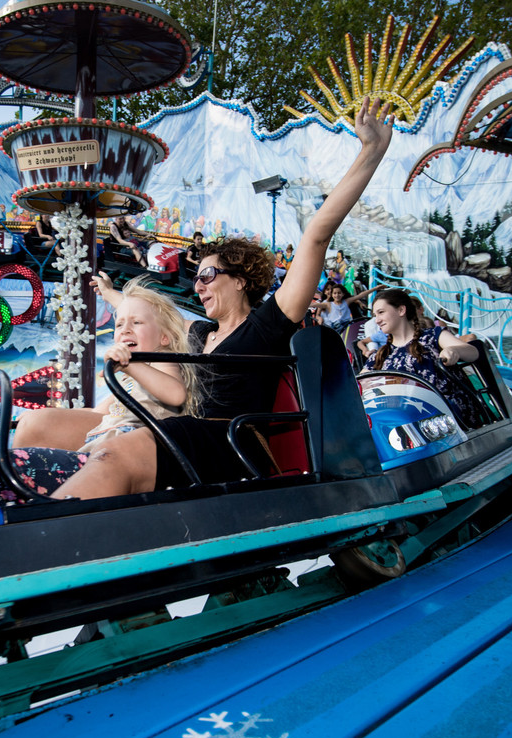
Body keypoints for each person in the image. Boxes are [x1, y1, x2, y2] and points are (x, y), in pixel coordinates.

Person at [50, 97, 395, 500]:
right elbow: (150, 314)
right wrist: (109, 293)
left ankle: (39, 544)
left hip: (229, 445)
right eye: (196, 278)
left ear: (241, 280)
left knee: (115, 452)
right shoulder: (199, 334)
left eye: (209, 275)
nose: (198, 285)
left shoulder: (266, 326)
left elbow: (317, 233)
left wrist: (372, 151)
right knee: (43, 428)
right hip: (190, 435)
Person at [0, 277, 192, 503]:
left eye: (136, 323)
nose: (125, 329)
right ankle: (23, 497)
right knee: (27, 427)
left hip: (120, 454)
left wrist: (133, 366)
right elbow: (97, 413)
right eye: (119, 324)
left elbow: (176, 394)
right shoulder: (131, 378)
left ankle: (29, 501)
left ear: (165, 337)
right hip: (97, 446)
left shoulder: (161, 361)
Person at [367, 287, 481, 423]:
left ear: (401, 310)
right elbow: (359, 385)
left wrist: (454, 351)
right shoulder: (380, 355)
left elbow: (473, 352)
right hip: (405, 421)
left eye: (381, 312)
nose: (377, 320)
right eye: (375, 315)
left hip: (448, 417)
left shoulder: (433, 336)